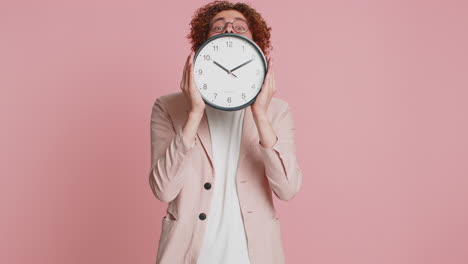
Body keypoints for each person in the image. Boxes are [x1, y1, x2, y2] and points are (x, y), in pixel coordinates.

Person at [148, 1, 303, 263]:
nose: (229, 30)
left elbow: (287, 190)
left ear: (257, 47)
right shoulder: (169, 107)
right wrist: (194, 113)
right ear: (202, 48)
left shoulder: (277, 111)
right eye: (217, 28)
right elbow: (163, 190)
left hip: (254, 255)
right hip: (188, 254)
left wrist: (260, 115)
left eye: (240, 28)